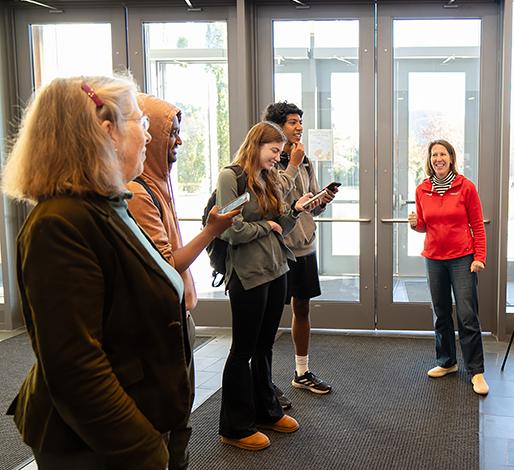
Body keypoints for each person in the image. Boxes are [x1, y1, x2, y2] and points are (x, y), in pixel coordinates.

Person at [2, 75, 191, 469]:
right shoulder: (59, 224)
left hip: (146, 423)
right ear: (109, 133)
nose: (149, 136)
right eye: (140, 122)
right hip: (101, 447)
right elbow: (76, 368)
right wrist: (144, 451)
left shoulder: (109, 205)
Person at [126, 94, 238, 469]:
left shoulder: (157, 184)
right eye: (169, 134)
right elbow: (168, 263)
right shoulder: (139, 192)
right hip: (159, 325)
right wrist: (212, 231)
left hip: (175, 317)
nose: (178, 142)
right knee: (166, 420)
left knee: (178, 413)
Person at [217, 121, 315, 451]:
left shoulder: (269, 177)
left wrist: (295, 212)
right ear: (256, 145)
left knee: (264, 347)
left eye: (280, 152)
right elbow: (230, 229)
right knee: (242, 350)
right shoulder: (231, 176)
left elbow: (282, 223)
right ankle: (235, 426)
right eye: (274, 151)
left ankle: (266, 411)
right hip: (248, 274)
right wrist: (267, 225)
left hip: (276, 270)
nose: (278, 157)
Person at [264, 101, 337, 395]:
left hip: (304, 246)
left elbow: (307, 206)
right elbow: (273, 201)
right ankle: (263, 381)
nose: (299, 128)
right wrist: (292, 163)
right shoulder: (268, 160)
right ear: (277, 127)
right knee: (267, 316)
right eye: (293, 122)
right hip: (278, 248)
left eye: (300, 123)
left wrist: (320, 201)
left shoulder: (305, 160)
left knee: (302, 308)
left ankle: (302, 372)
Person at [408, 139, 489, 396]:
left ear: (451, 158)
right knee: (441, 313)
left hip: (462, 258)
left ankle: (476, 371)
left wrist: (480, 257)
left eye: (443, 154)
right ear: (430, 160)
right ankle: (447, 362)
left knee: (467, 315)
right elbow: (424, 225)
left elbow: (477, 225)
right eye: (434, 155)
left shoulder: (465, 187)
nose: (438, 159)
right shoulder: (422, 189)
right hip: (434, 258)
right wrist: (415, 224)